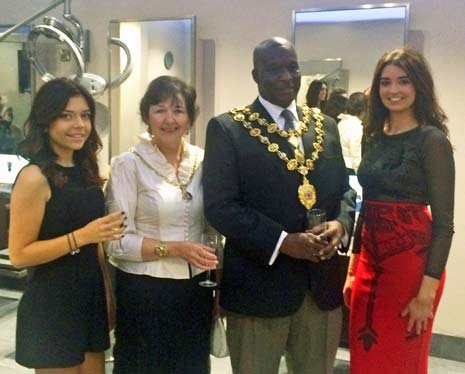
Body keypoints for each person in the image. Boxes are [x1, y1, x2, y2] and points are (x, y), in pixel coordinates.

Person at [203, 37, 356, 374]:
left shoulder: (325, 126)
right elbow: (220, 207)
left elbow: (346, 191)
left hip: (320, 290)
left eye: (293, 67)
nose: (287, 76)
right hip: (258, 290)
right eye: (274, 69)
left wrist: (341, 225)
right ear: (255, 75)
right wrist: (283, 242)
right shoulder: (228, 129)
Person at [343, 48, 455, 374]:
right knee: (365, 358)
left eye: (403, 81)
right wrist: (352, 270)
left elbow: (445, 225)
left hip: (413, 270)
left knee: (401, 360)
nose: (393, 90)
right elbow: (367, 208)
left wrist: (426, 295)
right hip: (368, 263)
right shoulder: (373, 136)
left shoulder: (432, 141)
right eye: (385, 82)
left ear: (418, 85)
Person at [9, 78, 125, 373]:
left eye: (85, 115)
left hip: (89, 297)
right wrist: (81, 237)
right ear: (46, 121)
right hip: (51, 304)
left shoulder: (86, 170)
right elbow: (20, 254)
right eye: (66, 115)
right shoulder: (34, 176)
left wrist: (107, 294)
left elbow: (96, 243)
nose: (79, 125)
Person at [105, 75, 218, 374]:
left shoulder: (205, 161)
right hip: (145, 291)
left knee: (192, 366)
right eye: (160, 109)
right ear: (146, 116)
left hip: (196, 289)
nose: (169, 119)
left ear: (191, 117)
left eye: (178, 110)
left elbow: (215, 221)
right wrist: (176, 249)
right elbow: (115, 242)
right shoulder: (128, 164)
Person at [337, 92, 367, 173]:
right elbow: (355, 153)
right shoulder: (355, 126)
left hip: (339, 165)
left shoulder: (342, 122)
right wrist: (359, 174)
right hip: (350, 168)